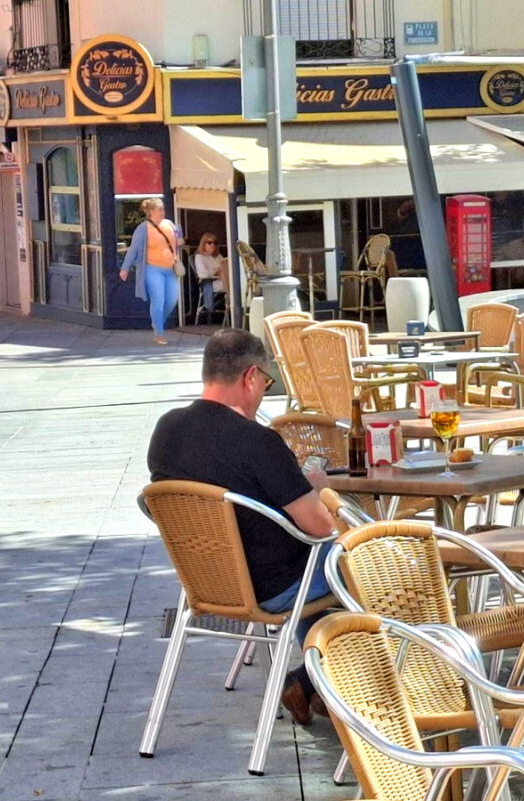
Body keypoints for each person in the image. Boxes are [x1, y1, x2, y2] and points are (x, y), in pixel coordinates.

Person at [147, 329, 337, 724]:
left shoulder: (166, 431)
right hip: (274, 586)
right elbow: (321, 527)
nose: (263, 393)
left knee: (319, 570)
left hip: (210, 582)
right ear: (251, 376)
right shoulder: (259, 442)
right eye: (266, 383)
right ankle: (360, 688)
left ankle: (319, 686)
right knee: (375, 565)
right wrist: (316, 488)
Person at [119, 197, 183, 345]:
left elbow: (177, 241)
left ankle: (157, 322)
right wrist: (125, 268)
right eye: (159, 209)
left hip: (170, 268)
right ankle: (159, 333)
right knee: (158, 299)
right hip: (152, 269)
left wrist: (180, 242)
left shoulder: (169, 224)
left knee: (172, 299)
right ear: (151, 212)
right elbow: (133, 249)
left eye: (163, 209)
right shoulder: (143, 228)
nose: (162, 212)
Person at [193, 232, 227, 314]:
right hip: (210, 283)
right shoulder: (199, 257)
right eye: (209, 243)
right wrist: (216, 271)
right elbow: (203, 274)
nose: (212, 245)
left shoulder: (218, 256)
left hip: (223, 279)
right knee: (232, 287)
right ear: (203, 244)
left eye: (214, 243)